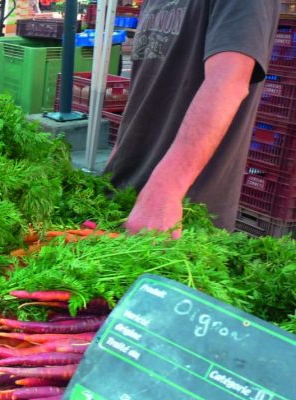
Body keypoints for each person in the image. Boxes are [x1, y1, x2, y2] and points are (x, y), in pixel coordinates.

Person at [103, 0, 279, 235]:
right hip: (120, 195)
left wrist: (165, 192)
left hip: (177, 214)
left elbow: (228, 83)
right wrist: (113, 162)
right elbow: (144, 87)